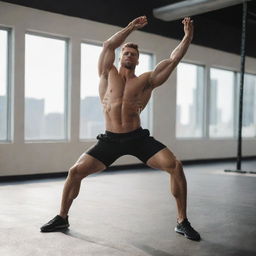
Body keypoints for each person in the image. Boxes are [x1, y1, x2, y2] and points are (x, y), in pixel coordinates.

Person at [40, 16, 200, 241]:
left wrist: (188, 37)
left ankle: (182, 221)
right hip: (110, 140)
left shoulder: (146, 80)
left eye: (133, 54)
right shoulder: (107, 74)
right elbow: (108, 45)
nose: (129, 55)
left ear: (137, 60)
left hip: (138, 138)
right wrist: (131, 27)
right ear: (121, 56)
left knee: (175, 166)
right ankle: (62, 217)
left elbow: (173, 60)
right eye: (126, 52)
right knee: (75, 172)